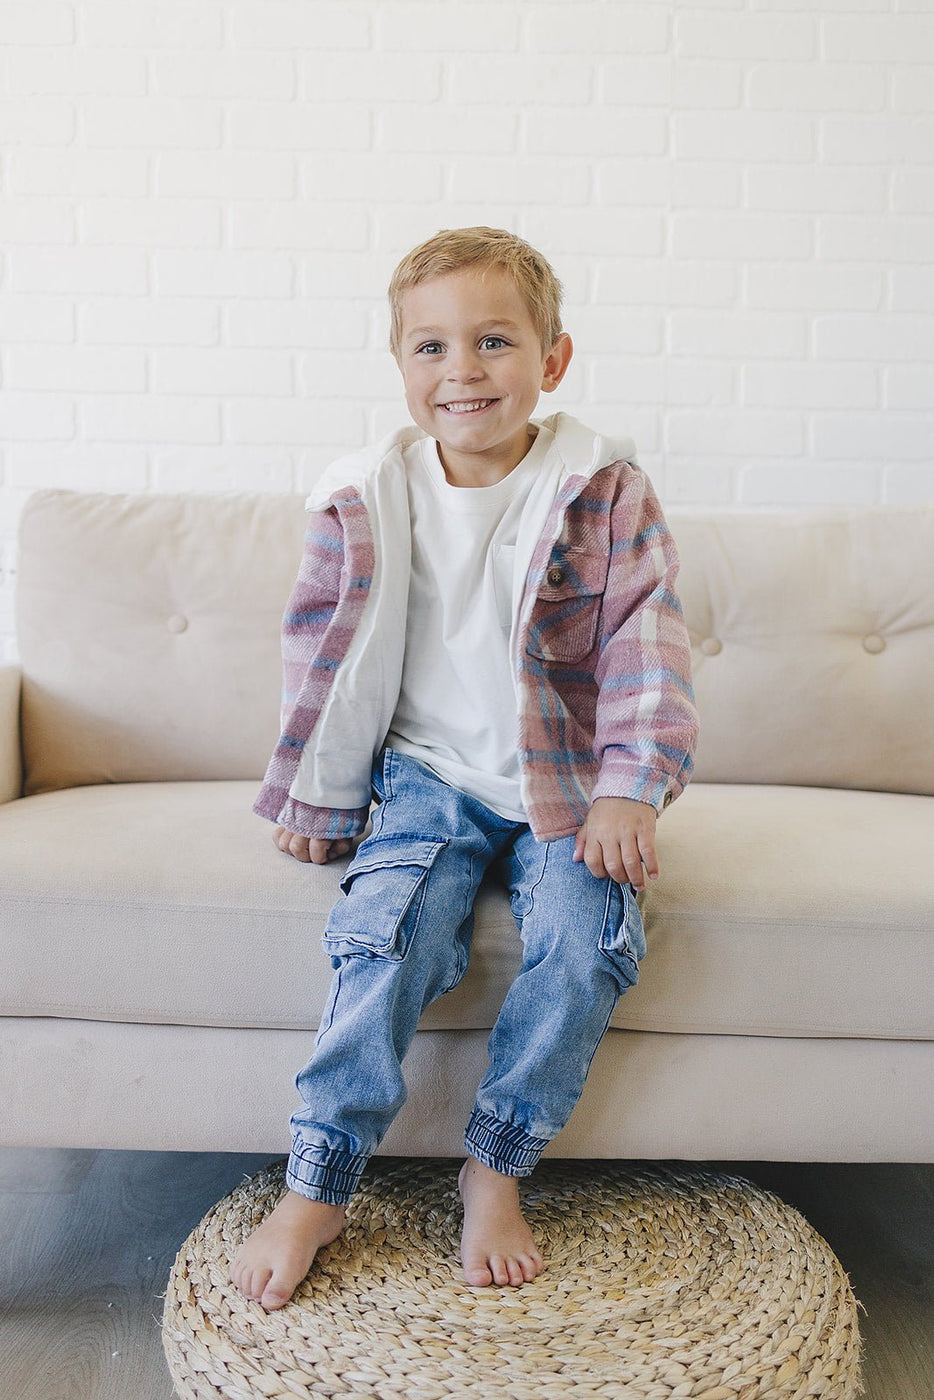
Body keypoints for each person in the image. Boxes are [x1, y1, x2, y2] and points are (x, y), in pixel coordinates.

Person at [230, 226, 698, 1311]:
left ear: (553, 358)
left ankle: (496, 1164)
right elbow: (319, 656)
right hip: (425, 775)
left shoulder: (602, 487)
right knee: (385, 935)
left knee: (587, 942)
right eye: (430, 347)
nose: (463, 370)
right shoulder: (362, 494)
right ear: (400, 366)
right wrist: (317, 790)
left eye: (494, 340)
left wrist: (633, 784)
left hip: (567, 781)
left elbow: (646, 642)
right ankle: (320, 1181)